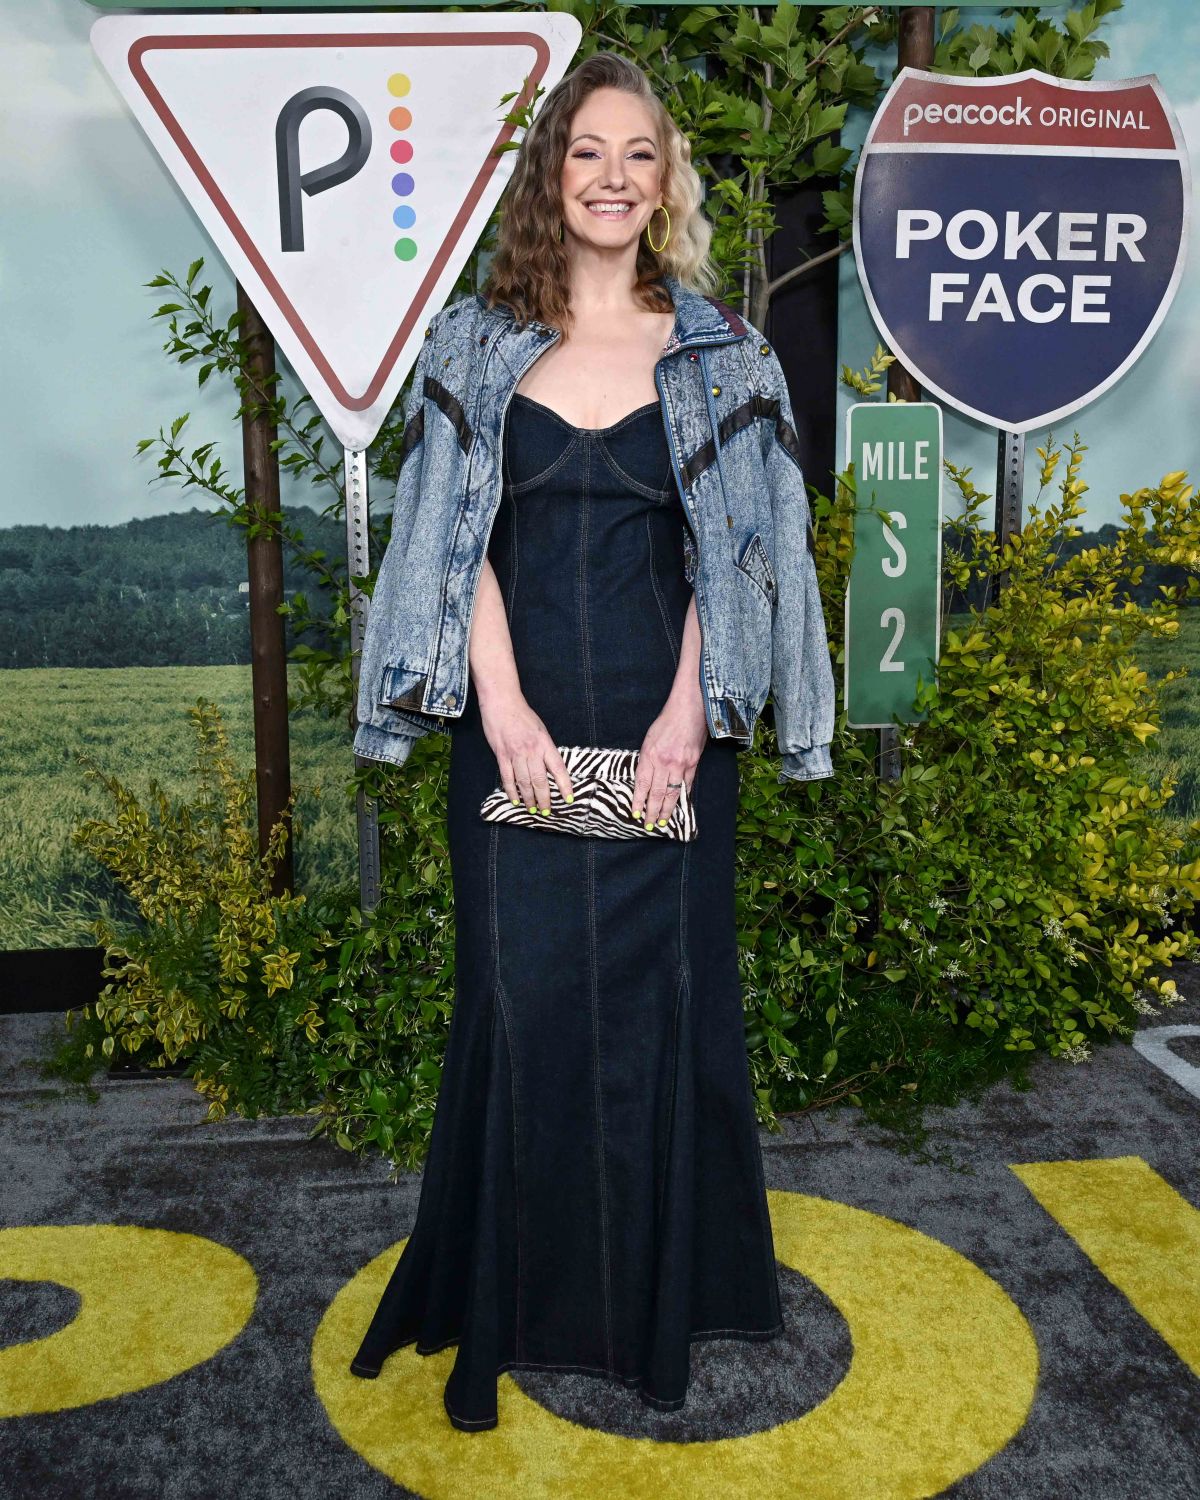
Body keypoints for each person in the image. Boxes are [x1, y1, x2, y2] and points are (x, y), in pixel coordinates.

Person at [348, 51, 836, 1432]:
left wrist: (691, 717)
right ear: (549, 176)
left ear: (665, 180)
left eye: (639, 154)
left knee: (666, 1013)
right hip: (510, 732)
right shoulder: (471, 344)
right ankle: (509, 1310)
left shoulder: (726, 353)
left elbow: (747, 556)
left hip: (672, 730)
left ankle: (657, 1312)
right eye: (587, 152)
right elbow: (449, 544)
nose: (613, 178)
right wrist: (500, 711)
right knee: (520, 1008)